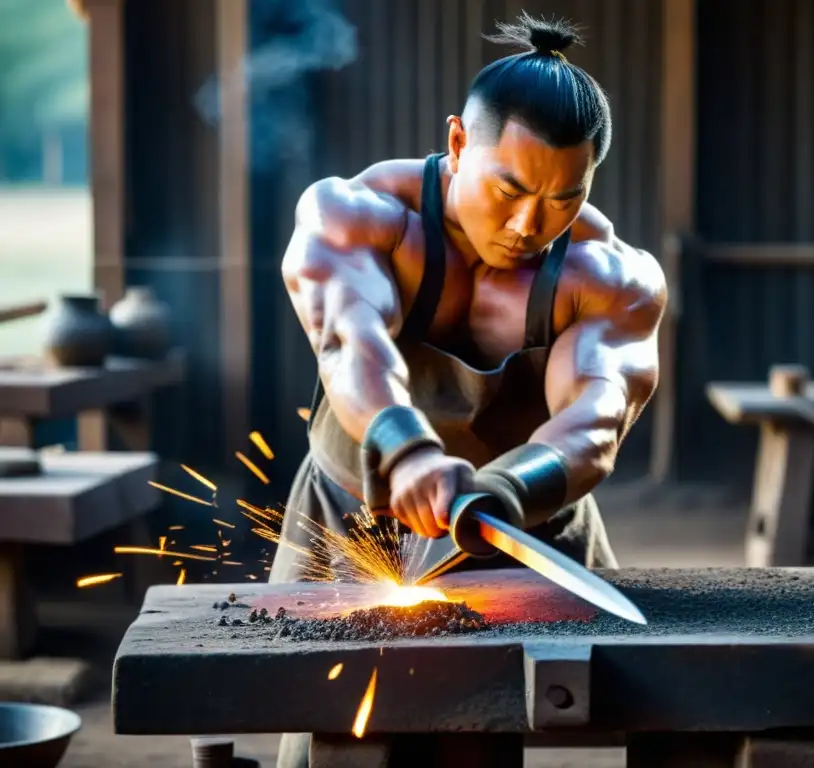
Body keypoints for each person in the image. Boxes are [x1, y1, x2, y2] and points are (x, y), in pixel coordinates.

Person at [271, 12, 666, 765]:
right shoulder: (358, 218)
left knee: (485, 732)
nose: (528, 224)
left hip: (521, 522)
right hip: (356, 512)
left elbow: (596, 419)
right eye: (510, 187)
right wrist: (408, 449)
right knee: (329, 727)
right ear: (458, 143)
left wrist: (505, 493)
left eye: (563, 199)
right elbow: (348, 343)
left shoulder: (609, 276)